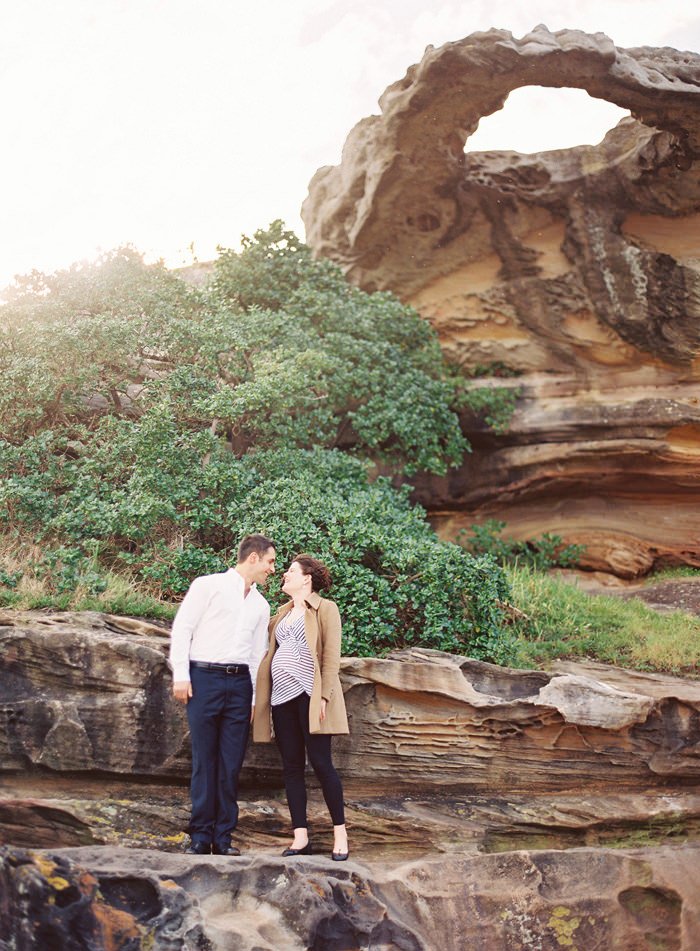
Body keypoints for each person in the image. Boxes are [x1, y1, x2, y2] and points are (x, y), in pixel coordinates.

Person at [169, 533, 276, 855]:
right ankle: (200, 836)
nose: (273, 569)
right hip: (204, 678)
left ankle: (224, 838)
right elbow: (182, 628)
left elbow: (258, 655)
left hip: (240, 684)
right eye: (270, 561)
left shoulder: (261, 604)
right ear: (253, 558)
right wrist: (181, 675)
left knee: (231, 765)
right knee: (205, 760)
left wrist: (256, 699)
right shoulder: (208, 585)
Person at [253, 554, 350, 861]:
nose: (285, 574)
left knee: (322, 764)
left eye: (291, 571)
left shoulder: (326, 608)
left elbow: (331, 657)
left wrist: (324, 697)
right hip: (281, 697)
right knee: (291, 767)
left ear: (307, 578)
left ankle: (340, 834)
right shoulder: (281, 613)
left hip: (311, 696)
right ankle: (300, 837)